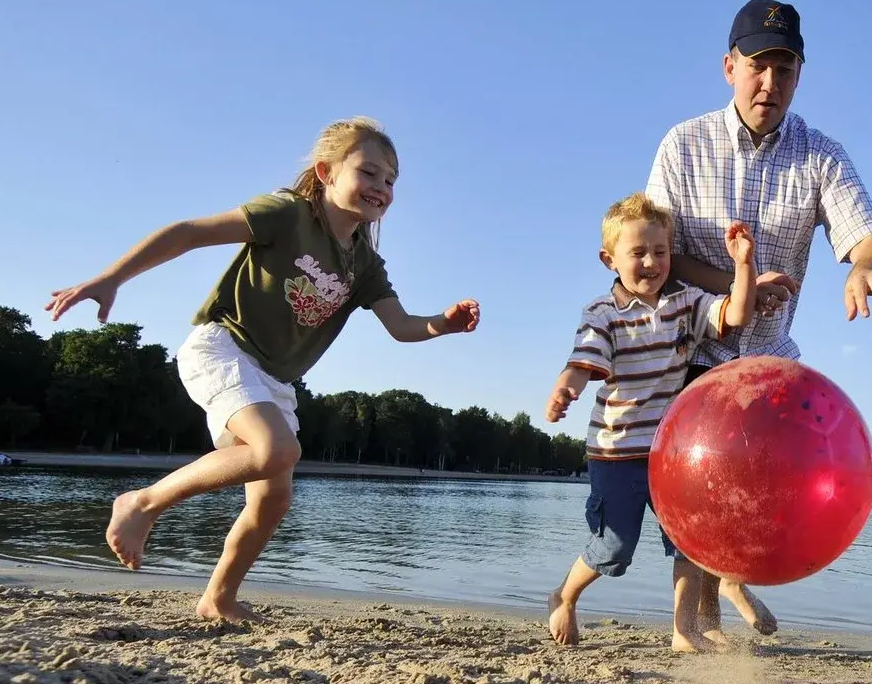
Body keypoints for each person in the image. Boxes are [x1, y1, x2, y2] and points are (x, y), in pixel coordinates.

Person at [44, 116, 481, 622]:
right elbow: (188, 233)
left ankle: (218, 598)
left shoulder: (364, 264)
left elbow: (402, 326)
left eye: (391, 180)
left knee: (273, 501)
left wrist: (443, 325)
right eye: (369, 172)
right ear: (326, 172)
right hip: (223, 347)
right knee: (277, 450)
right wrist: (110, 277)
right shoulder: (287, 214)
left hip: (274, 380)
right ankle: (142, 502)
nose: (381, 188)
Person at [642, 0, 872, 647]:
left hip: (768, 362)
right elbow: (655, 252)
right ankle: (693, 625)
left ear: (800, 73)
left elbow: (870, 236)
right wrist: (737, 281)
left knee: (750, 492)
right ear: (729, 65)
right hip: (689, 338)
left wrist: (863, 266)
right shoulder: (683, 144)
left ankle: (724, 596)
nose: (770, 83)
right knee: (695, 483)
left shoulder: (821, 155)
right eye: (758, 66)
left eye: (785, 69)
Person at [543, 192, 758, 652]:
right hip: (616, 452)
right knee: (614, 548)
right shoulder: (603, 314)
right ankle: (564, 595)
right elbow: (583, 361)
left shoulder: (685, 302)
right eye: (637, 252)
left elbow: (736, 314)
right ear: (610, 259)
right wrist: (567, 386)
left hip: (669, 455)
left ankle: (684, 630)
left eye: (660, 252)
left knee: (689, 542)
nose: (651, 262)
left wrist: (743, 265)